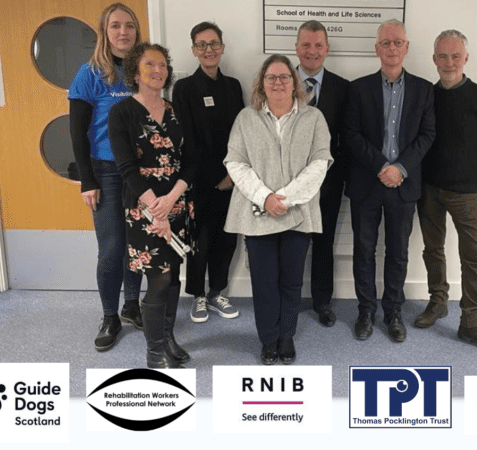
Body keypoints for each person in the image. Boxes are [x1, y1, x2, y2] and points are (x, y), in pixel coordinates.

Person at [224, 54, 332, 365]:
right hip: (258, 214)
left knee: (292, 280)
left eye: (284, 77)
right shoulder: (246, 118)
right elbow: (235, 163)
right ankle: (268, 339)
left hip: (299, 213)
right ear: (262, 83)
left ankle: (286, 336)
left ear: (295, 83)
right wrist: (264, 198)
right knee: (264, 280)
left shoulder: (313, 119)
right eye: (271, 77)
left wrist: (282, 198)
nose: (278, 82)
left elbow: (319, 164)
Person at [414, 30, 477, 354]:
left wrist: (471, 173)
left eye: (455, 56)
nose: (449, 62)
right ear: (434, 59)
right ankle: (438, 301)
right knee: (433, 248)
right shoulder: (426, 96)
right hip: (428, 188)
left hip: (466, 193)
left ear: (466, 58)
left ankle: (471, 321)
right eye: (443, 56)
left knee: (475, 256)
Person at [344, 19, 435, 343]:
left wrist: (401, 168)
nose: (392, 48)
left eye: (398, 42)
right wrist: (383, 165)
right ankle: (366, 311)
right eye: (386, 43)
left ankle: (393, 312)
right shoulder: (358, 88)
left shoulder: (425, 89)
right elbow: (351, 135)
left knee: (398, 254)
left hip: (404, 185)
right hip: (367, 183)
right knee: (363, 251)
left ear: (406, 47)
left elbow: (427, 135)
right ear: (377, 48)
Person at [108, 42, 196, 368]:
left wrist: (172, 199)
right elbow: (127, 167)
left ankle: (170, 338)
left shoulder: (176, 112)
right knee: (158, 279)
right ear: (135, 72)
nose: (158, 71)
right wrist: (154, 209)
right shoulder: (122, 113)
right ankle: (154, 350)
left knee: (173, 277)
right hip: (142, 210)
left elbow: (192, 161)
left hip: (177, 205)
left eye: (162, 65)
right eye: (150, 65)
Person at [68, 3, 144, 352]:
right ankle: (110, 316)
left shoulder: (143, 71)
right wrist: (88, 180)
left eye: (129, 26)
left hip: (141, 174)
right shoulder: (89, 74)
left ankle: (132, 305)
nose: (123, 32)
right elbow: (77, 131)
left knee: (137, 246)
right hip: (106, 172)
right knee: (112, 249)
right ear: (105, 31)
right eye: (115, 26)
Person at [172, 22, 243, 324]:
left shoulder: (234, 86)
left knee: (227, 239)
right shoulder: (184, 88)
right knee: (200, 239)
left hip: (233, 179)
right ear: (193, 50)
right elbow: (188, 138)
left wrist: (231, 173)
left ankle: (217, 292)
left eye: (214, 43)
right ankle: (198, 295)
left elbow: (241, 134)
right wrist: (215, 175)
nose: (209, 49)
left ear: (222, 47)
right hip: (199, 179)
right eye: (202, 45)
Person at [295, 20, 350, 328]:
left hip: (329, 182)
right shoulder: (279, 81)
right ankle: (286, 298)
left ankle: (322, 301)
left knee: (323, 241)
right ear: (296, 48)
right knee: (290, 242)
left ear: (327, 49)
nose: (311, 51)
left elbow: (348, 136)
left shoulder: (344, 88)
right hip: (287, 184)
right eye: (306, 45)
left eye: (317, 45)